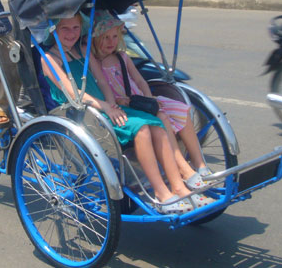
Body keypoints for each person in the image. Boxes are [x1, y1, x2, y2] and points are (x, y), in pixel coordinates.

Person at [40, 13, 215, 214]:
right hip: (81, 113)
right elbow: (72, 92)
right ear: (53, 31)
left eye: (75, 28)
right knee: (141, 129)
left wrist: (112, 103)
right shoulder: (50, 58)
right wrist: (104, 107)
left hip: (106, 108)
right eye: (65, 28)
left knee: (157, 126)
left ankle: (179, 187)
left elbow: (103, 82)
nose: (71, 33)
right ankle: (161, 193)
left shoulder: (83, 50)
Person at [91, 10, 213, 185]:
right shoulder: (95, 63)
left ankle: (199, 163)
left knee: (181, 110)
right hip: (125, 105)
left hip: (141, 100)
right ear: (96, 39)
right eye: (106, 38)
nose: (111, 42)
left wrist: (150, 99)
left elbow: (140, 80)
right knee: (162, 117)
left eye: (114, 37)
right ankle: (181, 168)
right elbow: (102, 88)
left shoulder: (122, 56)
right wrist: (118, 101)